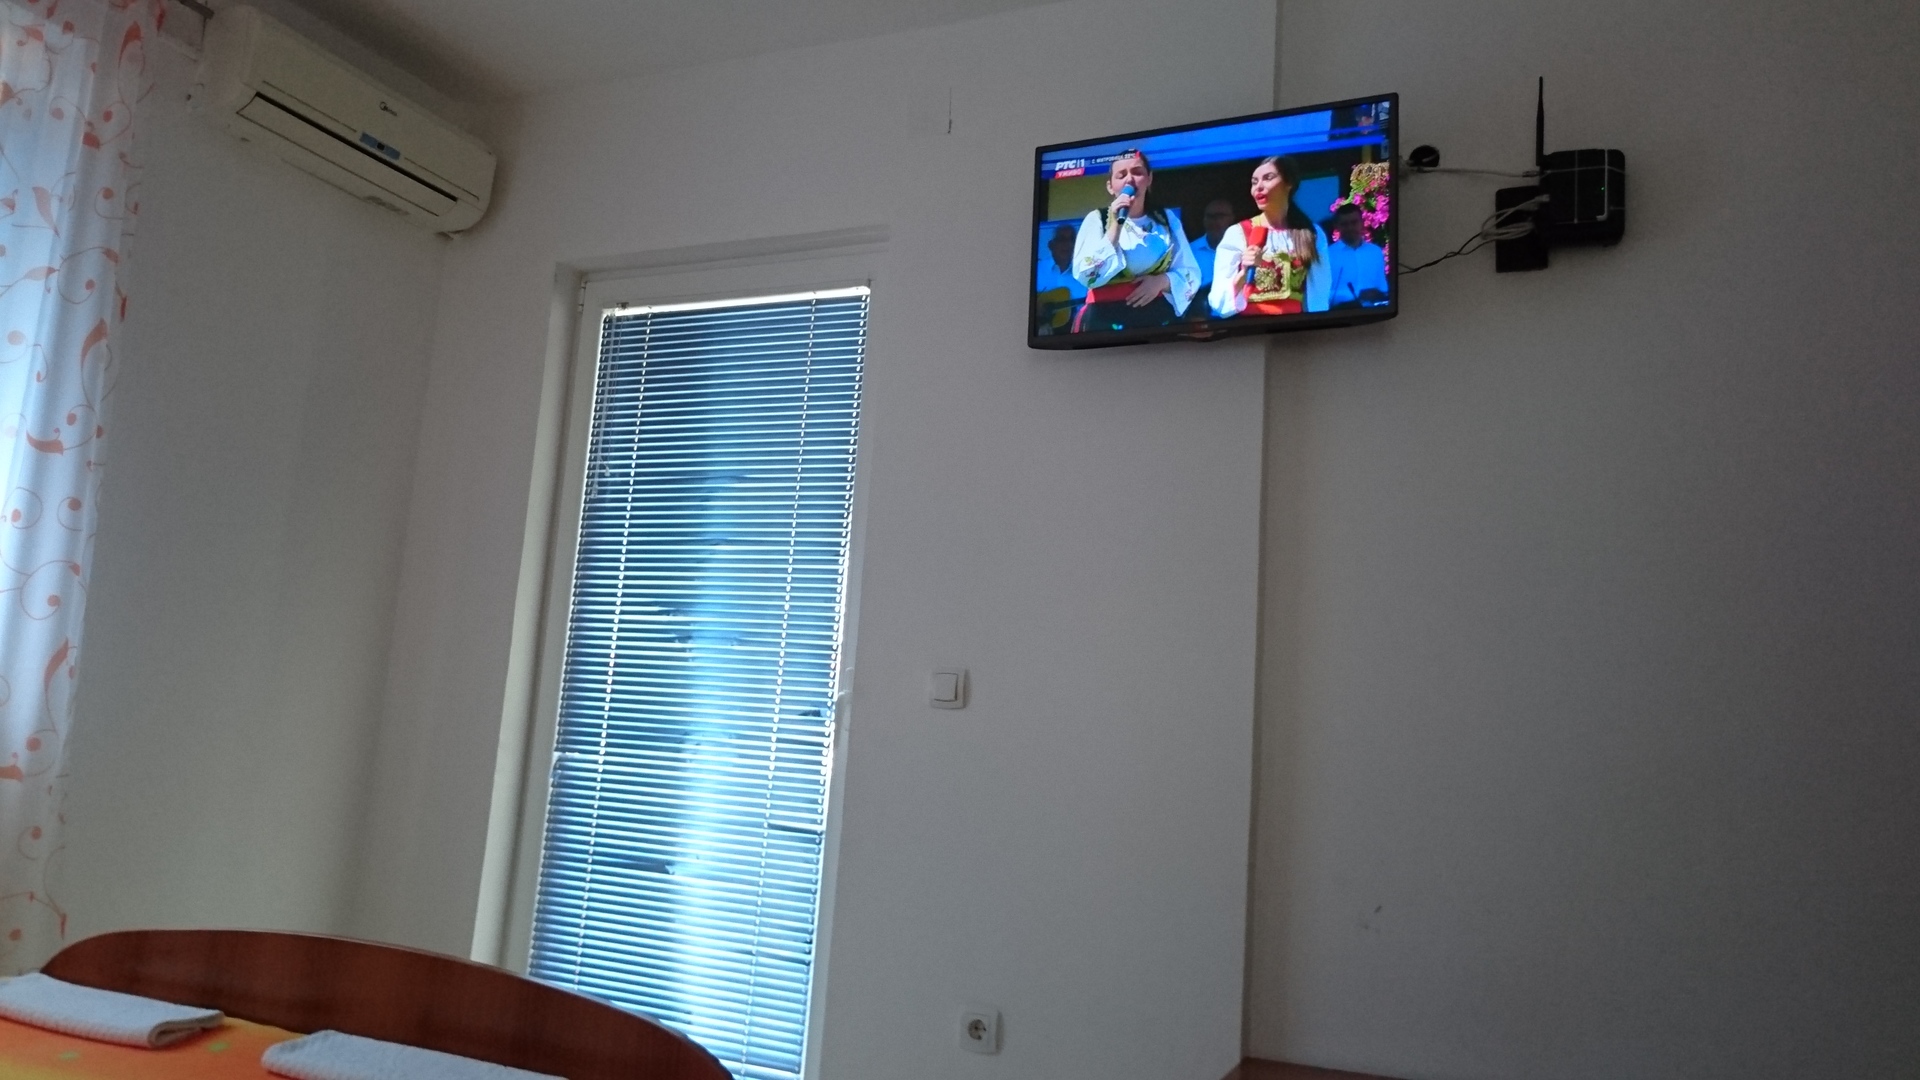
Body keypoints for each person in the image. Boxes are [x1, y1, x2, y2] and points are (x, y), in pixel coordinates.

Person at [1069, 149, 1201, 332]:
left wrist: (1162, 281)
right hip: (1103, 321)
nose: (1129, 180)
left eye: (1137, 172)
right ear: (1110, 186)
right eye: (1121, 175)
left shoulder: (1165, 219)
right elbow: (1086, 275)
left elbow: (1191, 272)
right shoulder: (1096, 219)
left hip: (1156, 320)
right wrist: (1116, 225)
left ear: (1149, 179)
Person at [1208, 156, 1329, 318]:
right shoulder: (1238, 233)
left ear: (1289, 183)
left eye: (1268, 178)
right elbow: (1219, 301)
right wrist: (1244, 271)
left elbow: (1319, 294)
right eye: (1254, 182)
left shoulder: (1310, 233)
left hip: (1295, 327)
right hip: (1252, 327)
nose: (1259, 187)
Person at [1324, 202, 1389, 308]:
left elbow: (1383, 287)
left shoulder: (1375, 252)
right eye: (1345, 224)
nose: (1350, 228)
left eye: (1354, 222)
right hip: (1341, 313)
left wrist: (1380, 294)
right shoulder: (1328, 255)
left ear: (1362, 223)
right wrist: (1356, 295)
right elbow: (1323, 294)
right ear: (1337, 226)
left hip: (1374, 313)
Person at [1185, 197, 1237, 316]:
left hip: (1238, 317)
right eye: (1210, 216)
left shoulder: (1243, 248)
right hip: (1200, 318)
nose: (1214, 221)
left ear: (1232, 219)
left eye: (1220, 216)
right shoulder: (1190, 251)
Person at [1033, 224, 1086, 334]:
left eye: (1071, 240)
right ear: (1051, 245)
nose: (1067, 244)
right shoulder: (1036, 269)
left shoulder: (1085, 274)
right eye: (1062, 239)